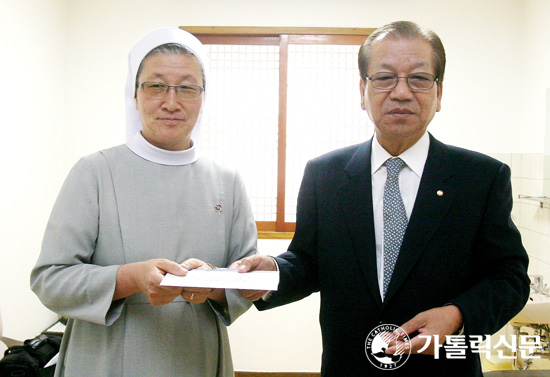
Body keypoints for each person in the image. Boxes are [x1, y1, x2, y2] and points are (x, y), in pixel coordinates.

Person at [235, 21, 530, 376]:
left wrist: (458, 315)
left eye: (419, 79)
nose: (402, 93)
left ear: (439, 93)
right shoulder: (325, 174)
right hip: (350, 367)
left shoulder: (480, 178)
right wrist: (273, 271)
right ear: (363, 90)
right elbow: (308, 261)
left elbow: (510, 276)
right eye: (385, 77)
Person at [30, 27, 257, 377]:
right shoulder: (95, 171)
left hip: (194, 355)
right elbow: (50, 280)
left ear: (202, 96)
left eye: (186, 87)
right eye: (156, 86)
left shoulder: (227, 181)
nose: (171, 102)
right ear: (134, 95)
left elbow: (246, 281)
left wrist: (211, 284)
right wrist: (130, 278)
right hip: (104, 359)